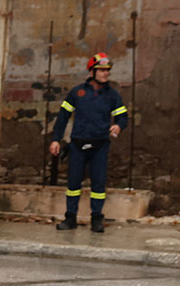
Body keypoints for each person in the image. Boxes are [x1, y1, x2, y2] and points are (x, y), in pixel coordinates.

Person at [50, 53, 126, 233]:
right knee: (73, 184)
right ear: (92, 71)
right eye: (101, 70)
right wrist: (56, 139)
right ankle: (70, 218)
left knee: (98, 185)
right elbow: (63, 117)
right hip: (77, 145)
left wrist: (119, 126)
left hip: (100, 145)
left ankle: (97, 219)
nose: (105, 74)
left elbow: (123, 117)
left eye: (107, 71)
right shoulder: (77, 92)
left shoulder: (112, 95)